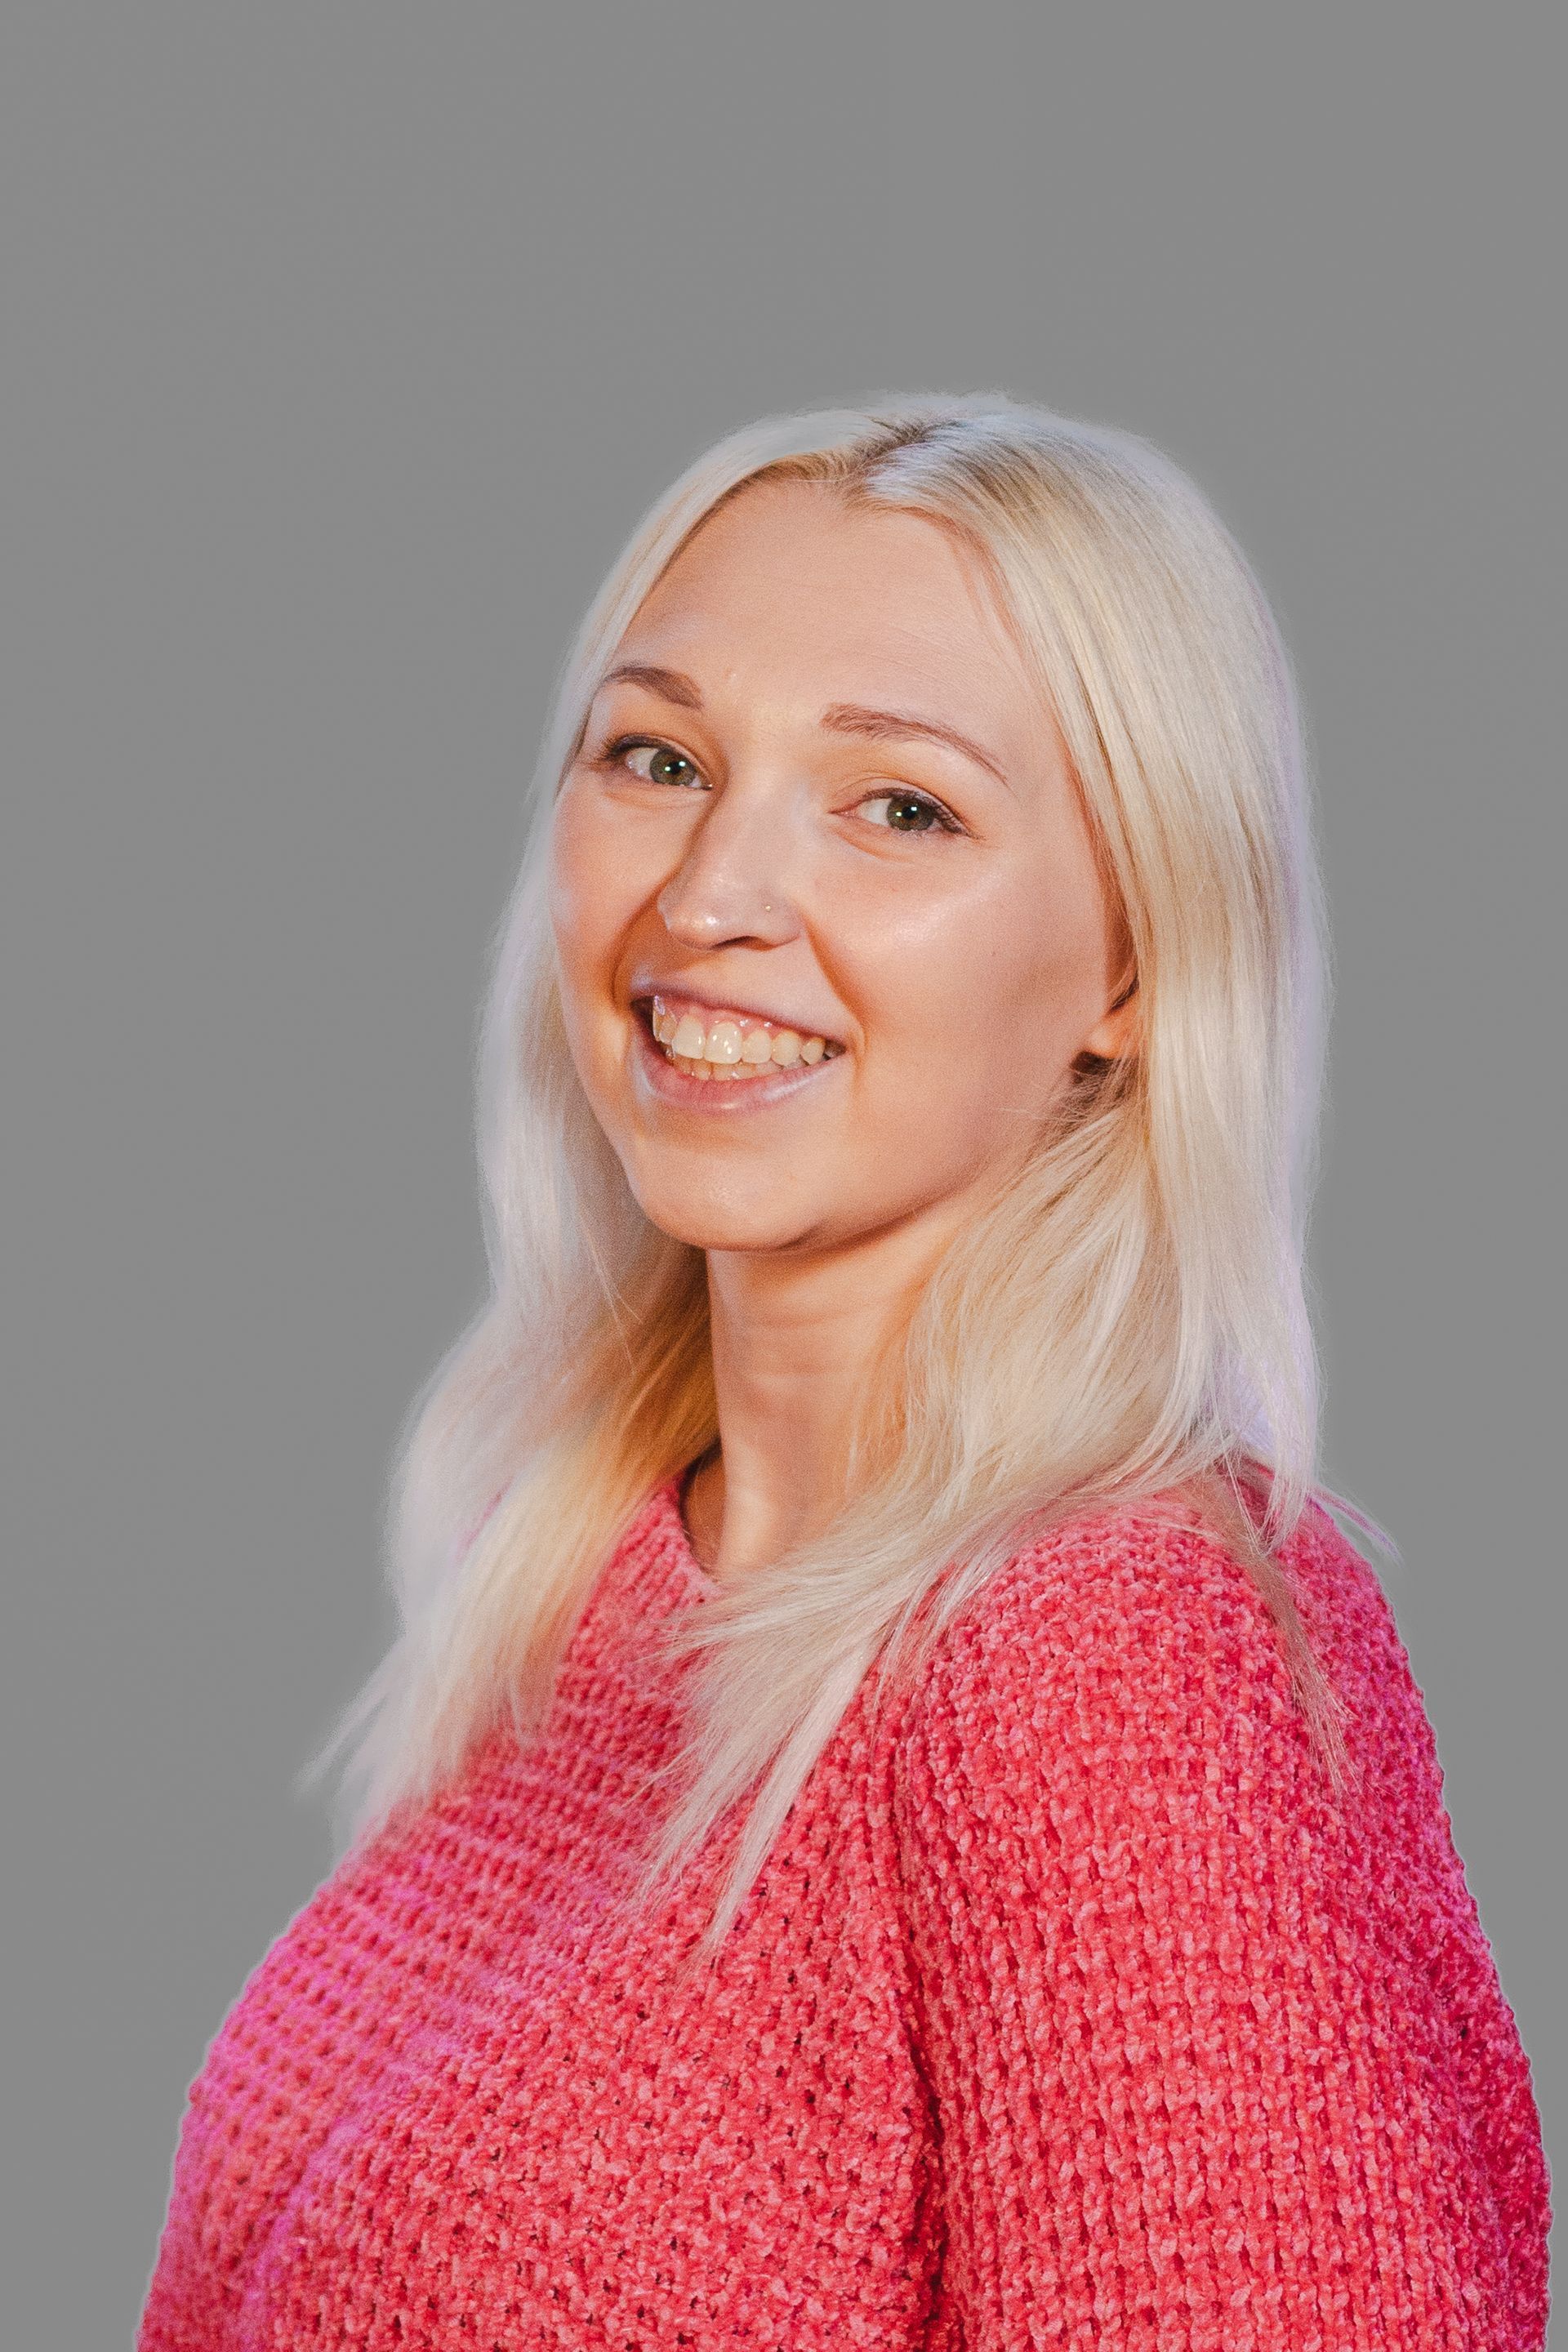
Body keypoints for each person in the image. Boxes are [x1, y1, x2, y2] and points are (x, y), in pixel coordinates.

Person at [138, 397, 1551, 2350]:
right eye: (658, 757)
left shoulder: (1104, 1655)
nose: (710, 893)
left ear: (1131, 970)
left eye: (900, 807)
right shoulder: (593, 1588)